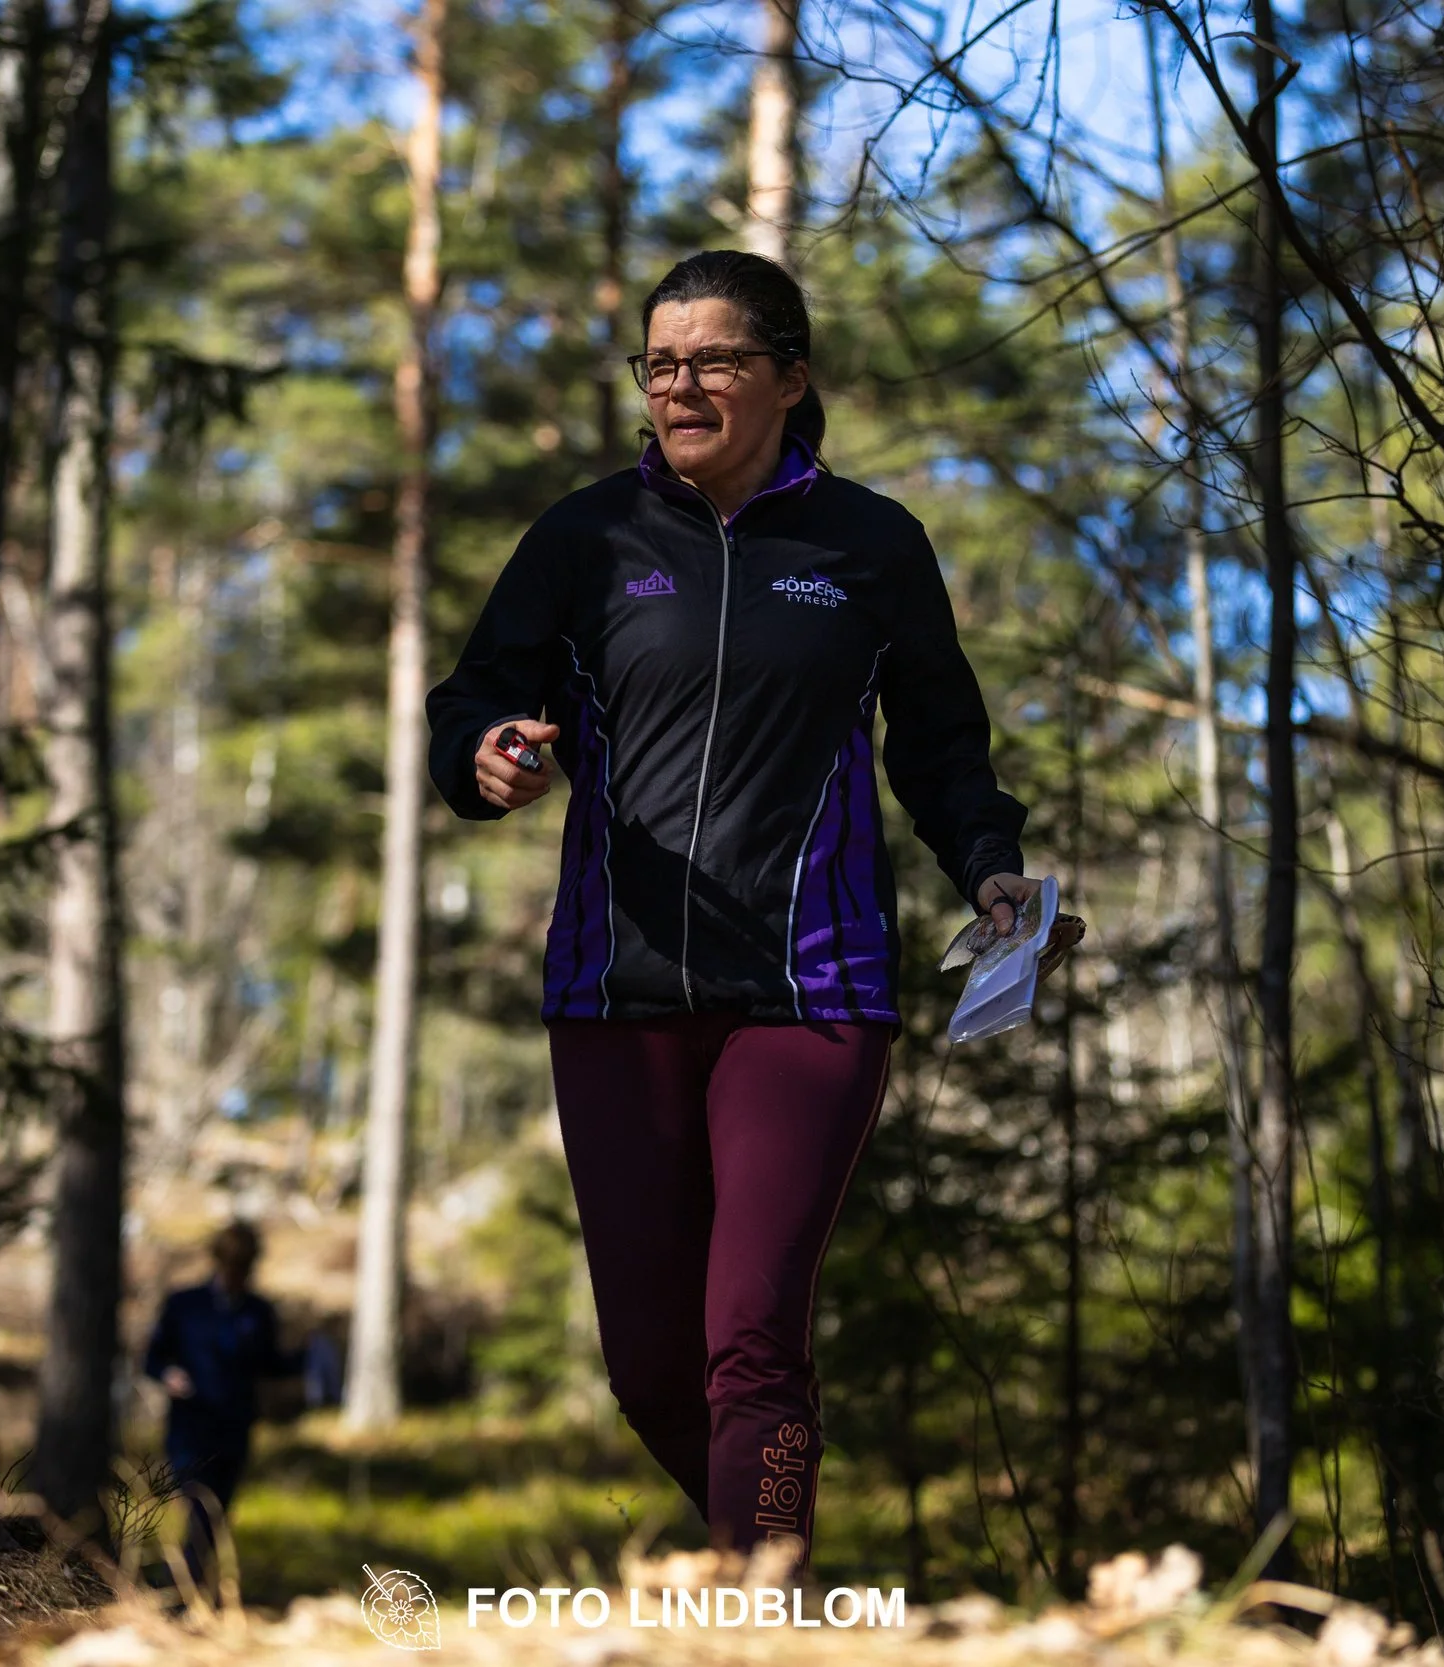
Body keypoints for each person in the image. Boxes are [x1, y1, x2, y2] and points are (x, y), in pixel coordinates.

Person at [426, 249, 1045, 1572]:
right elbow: (474, 697)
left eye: (713, 359)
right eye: (660, 362)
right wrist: (486, 754)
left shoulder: (871, 545)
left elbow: (940, 746)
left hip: (812, 990)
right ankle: (773, 1537)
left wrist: (986, 855)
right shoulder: (586, 537)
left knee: (753, 1335)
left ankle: (762, 1610)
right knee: (654, 1365)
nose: (680, 384)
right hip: (616, 990)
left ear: (789, 377)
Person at [143, 1222, 300, 1597]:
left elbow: (270, 1365)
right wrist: (169, 1375)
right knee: (200, 1506)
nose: (236, 1273)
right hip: (190, 1429)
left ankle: (182, 1589)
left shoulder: (259, 1312)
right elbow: (152, 1358)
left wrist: (309, 1360)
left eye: (244, 1266)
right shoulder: (184, 1305)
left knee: (217, 1516)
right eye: (231, 1264)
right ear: (217, 1261)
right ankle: (183, 1594)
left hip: (235, 1429)